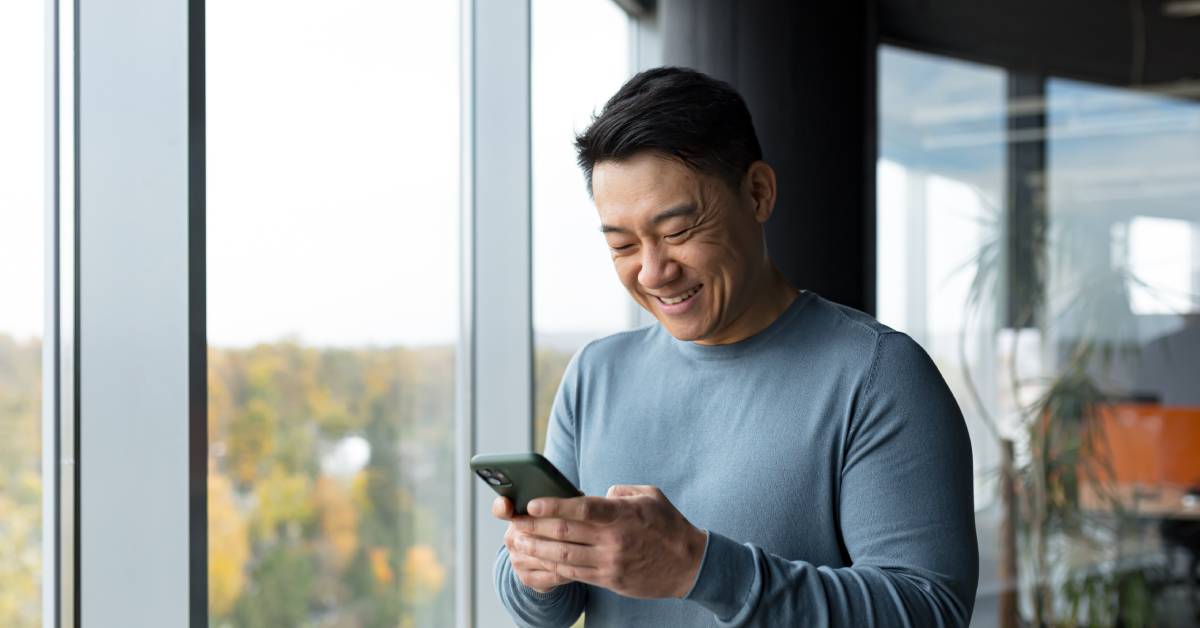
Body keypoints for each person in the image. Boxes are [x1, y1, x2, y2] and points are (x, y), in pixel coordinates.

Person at [492, 66, 978, 627]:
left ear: (758, 193)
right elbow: (547, 610)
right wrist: (536, 566)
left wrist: (700, 569)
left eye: (676, 232)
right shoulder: (595, 373)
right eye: (623, 244)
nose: (653, 271)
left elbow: (929, 611)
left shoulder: (878, 375)